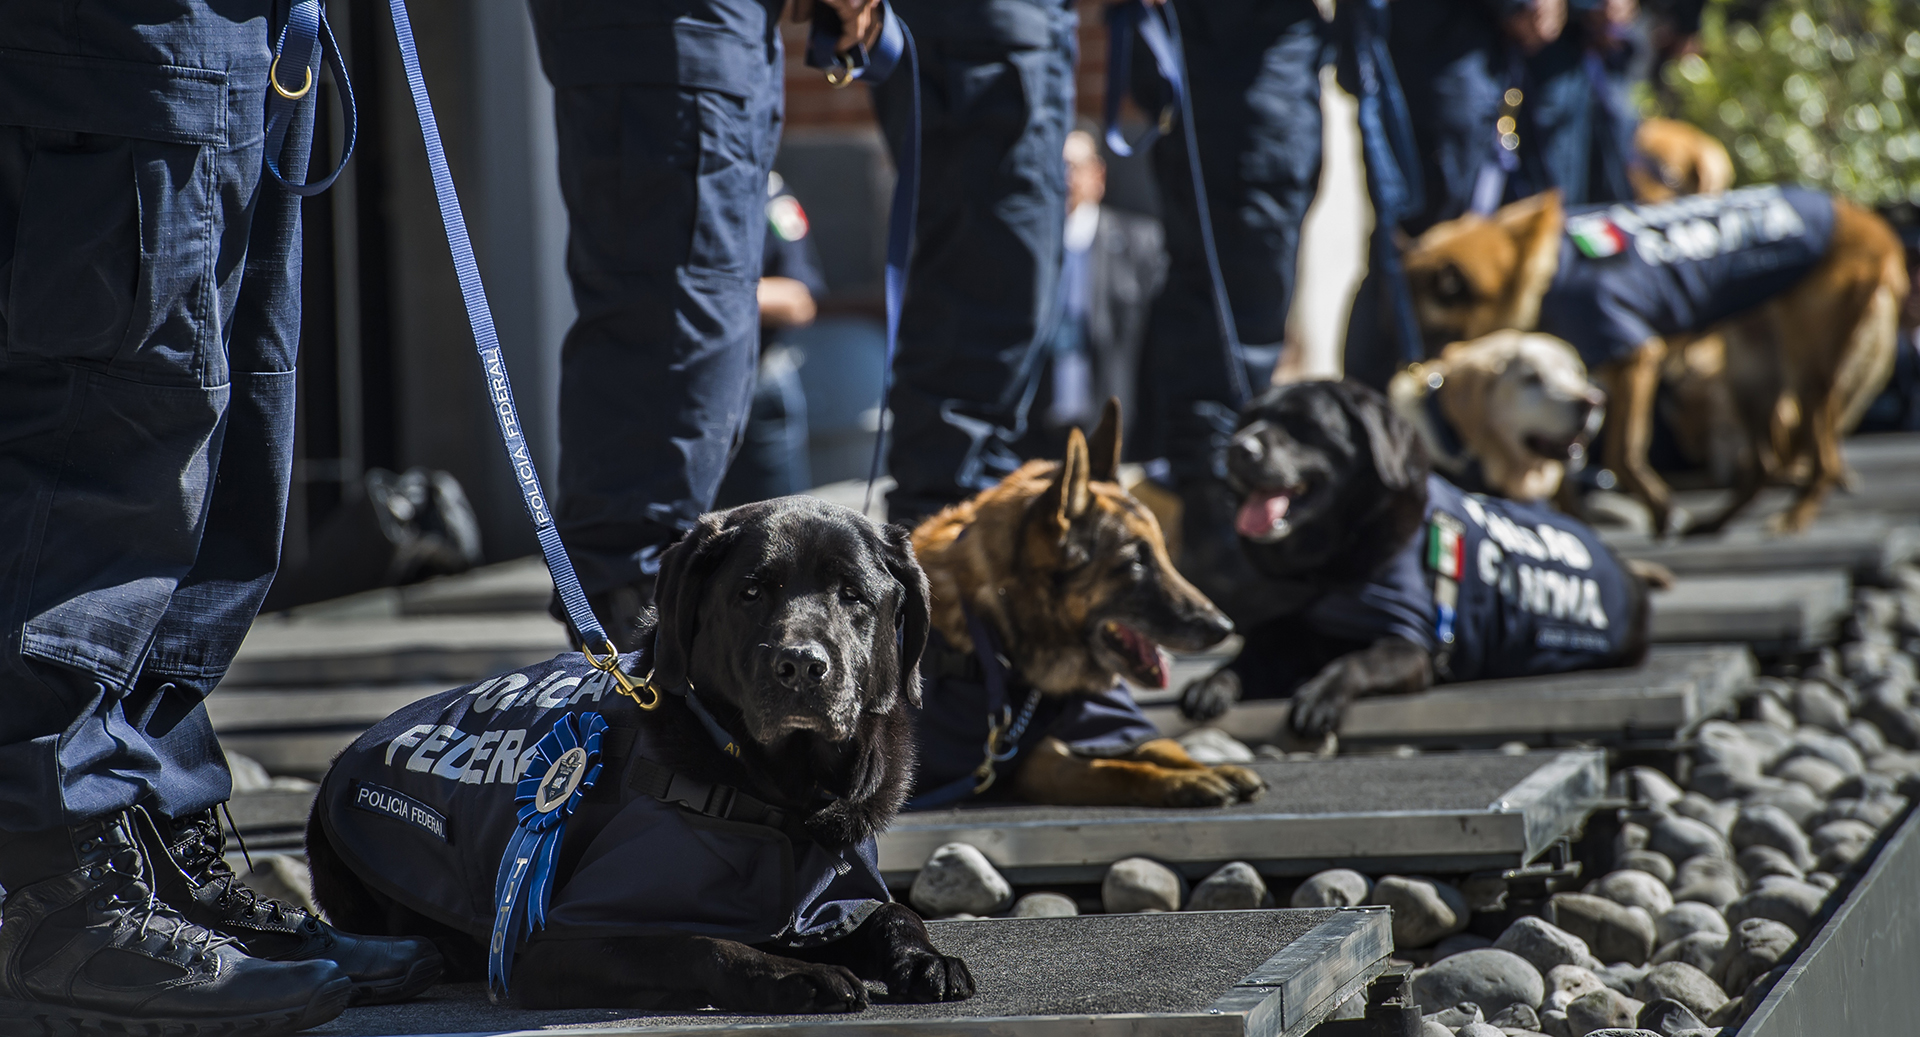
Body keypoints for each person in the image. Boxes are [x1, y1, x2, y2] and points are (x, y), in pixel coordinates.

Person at [0, 2, 439, 1032]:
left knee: (226, 446)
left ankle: (149, 842)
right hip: (119, 40)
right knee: (106, 442)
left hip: (247, 42)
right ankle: (55, 892)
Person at [532, 0, 879, 647]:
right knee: (676, 337)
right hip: (681, 37)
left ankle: (638, 637)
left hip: (694, 41)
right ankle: (634, 659)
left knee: (678, 332)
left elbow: (799, 293)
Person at [1128, 0, 1329, 606]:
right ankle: (1220, 536)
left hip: (1251, 79)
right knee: (1232, 330)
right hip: (1244, 90)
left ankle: (1221, 524)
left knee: (1228, 319)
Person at [868, 0, 1082, 523]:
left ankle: (963, 525)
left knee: (1014, 307)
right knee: (985, 305)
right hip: (982, 34)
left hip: (1022, 31)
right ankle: (949, 548)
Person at [1034, 130, 1168, 447]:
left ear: (1097, 174)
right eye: (1055, 166)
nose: (1064, 178)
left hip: (1117, 429)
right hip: (1038, 432)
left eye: (1073, 166)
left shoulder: (1139, 244)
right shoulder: (1030, 250)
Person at [715, 172, 830, 505]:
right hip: (666, 388)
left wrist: (707, 292)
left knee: (776, 530)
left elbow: (800, 299)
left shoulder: (766, 190)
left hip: (755, 383)